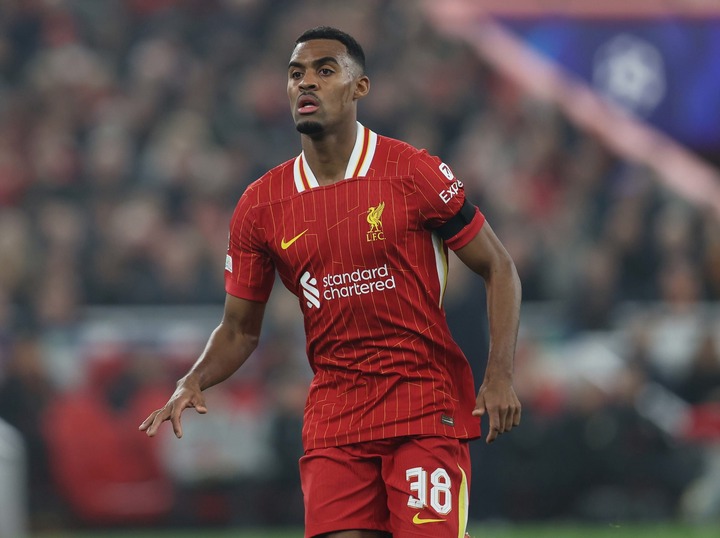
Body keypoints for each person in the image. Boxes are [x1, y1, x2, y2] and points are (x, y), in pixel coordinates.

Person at [140, 26, 522, 538]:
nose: (307, 84)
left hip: (422, 405)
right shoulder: (261, 204)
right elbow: (238, 329)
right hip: (335, 418)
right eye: (296, 74)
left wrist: (498, 374)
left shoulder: (412, 172)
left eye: (324, 71)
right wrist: (194, 378)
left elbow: (499, 266)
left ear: (359, 87)